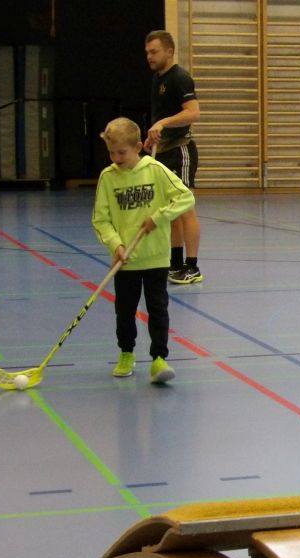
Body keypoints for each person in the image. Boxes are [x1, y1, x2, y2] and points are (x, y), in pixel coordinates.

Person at [92, 117, 195, 383]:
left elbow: (186, 197)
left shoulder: (155, 170)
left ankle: (159, 359)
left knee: (157, 309)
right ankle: (126, 353)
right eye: (111, 153)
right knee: (124, 312)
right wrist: (115, 244)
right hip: (125, 260)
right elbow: (101, 220)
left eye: (122, 152)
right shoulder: (108, 177)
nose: (116, 158)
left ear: (138, 147)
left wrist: (159, 217)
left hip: (156, 258)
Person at [143, 29, 203, 284]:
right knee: (171, 211)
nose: (149, 56)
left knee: (185, 208)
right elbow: (161, 116)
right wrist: (154, 135)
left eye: (154, 51)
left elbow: (193, 113)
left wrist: (164, 123)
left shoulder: (180, 78)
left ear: (169, 51)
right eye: (147, 52)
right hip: (164, 152)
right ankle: (175, 262)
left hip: (181, 151)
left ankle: (192, 266)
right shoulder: (157, 79)